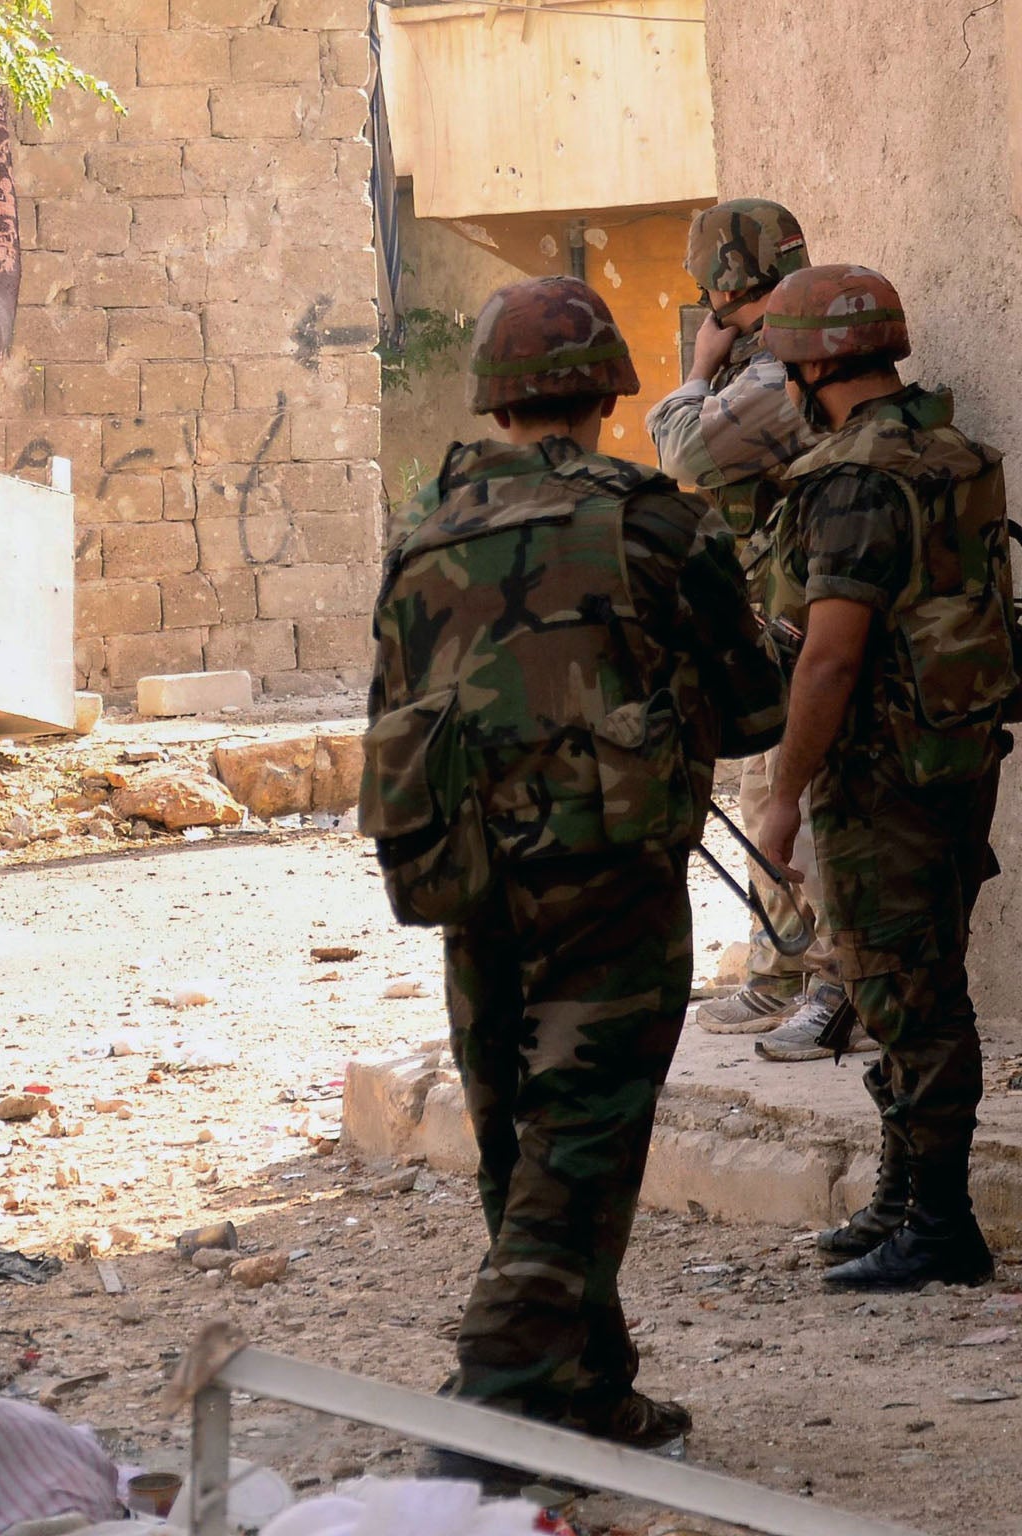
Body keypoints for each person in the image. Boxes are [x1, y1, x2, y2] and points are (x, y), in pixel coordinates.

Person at [361, 276, 787, 1487]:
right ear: (607, 392)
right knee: (582, 1132)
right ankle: (488, 1406)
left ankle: (586, 1393)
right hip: (606, 872)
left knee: (515, 1131)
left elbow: (396, 710)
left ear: (490, 399)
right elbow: (754, 707)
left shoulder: (421, 534)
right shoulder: (659, 521)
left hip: (466, 871)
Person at [752, 265, 1017, 1289]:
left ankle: (939, 1227)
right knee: (912, 979)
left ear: (816, 361)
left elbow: (827, 655)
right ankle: (900, 1200)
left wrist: (780, 796)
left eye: (782, 356)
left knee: (909, 996)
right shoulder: (947, 450)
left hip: (880, 773)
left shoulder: (852, 477)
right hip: (953, 747)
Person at [647, 200, 850, 1059]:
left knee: (817, 807)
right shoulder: (773, 358)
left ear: (724, 285)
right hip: (781, 605)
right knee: (766, 793)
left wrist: (697, 370)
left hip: (817, 607)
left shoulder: (777, 370)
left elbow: (681, 453)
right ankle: (782, 966)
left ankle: (838, 984)